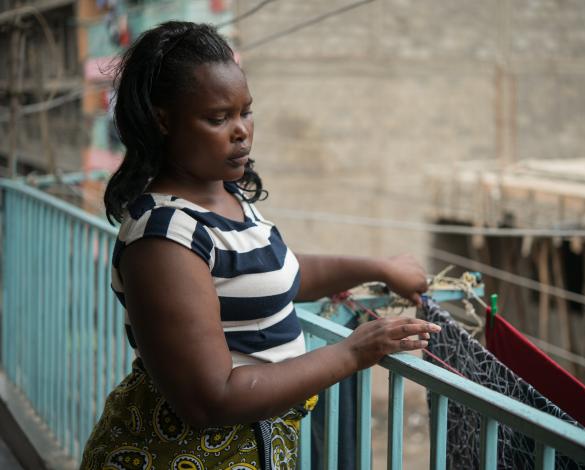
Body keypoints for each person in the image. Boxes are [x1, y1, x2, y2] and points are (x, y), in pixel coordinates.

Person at [81, 21, 438, 470]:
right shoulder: (165, 237)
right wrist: (351, 351)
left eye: (245, 112)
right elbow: (212, 399)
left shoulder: (227, 195)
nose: (241, 131)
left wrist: (379, 267)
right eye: (217, 118)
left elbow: (279, 272)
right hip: (175, 457)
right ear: (163, 120)